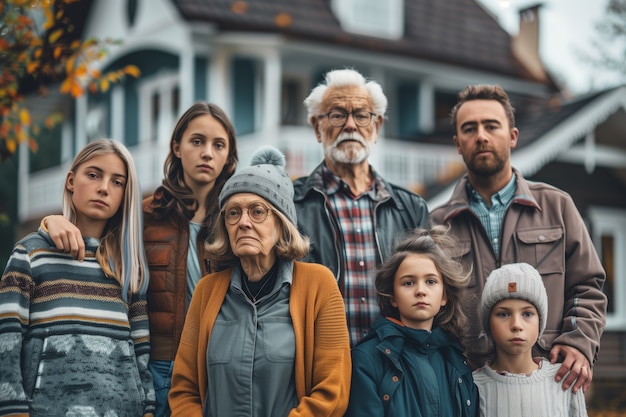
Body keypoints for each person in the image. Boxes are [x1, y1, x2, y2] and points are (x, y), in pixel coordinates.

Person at [41, 102, 239, 417]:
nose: (207, 153)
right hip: (159, 368)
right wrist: (52, 221)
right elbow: (93, 232)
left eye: (219, 145)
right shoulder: (143, 215)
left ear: (229, 156)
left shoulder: (235, 221)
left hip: (222, 366)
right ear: (177, 147)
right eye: (197, 141)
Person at [430, 84, 607, 393]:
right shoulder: (436, 225)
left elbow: (587, 287)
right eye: (470, 129)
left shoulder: (557, 206)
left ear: (512, 136)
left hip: (550, 381)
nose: (481, 136)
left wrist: (579, 342)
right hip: (469, 390)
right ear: (458, 144)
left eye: (491, 126)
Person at [169, 146, 351, 417]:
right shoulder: (207, 291)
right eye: (233, 213)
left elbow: (332, 390)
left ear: (281, 224)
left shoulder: (318, 285)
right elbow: (184, 389)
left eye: (257, 211)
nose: (243, 222)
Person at [0, 139, 155, 417]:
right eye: (93, 175)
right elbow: (6, 343)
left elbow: (141, 359)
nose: (104, 188)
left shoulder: (129, 270)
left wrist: (147, 410)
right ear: (71, 180)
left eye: (117, 182)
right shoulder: (30, 255)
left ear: (124, 194)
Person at [294, 68, 429, 345]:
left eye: (361, 115)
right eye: (337, 114)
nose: (351, 125)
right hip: (320, 365)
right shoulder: (292, 204)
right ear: (317, 128)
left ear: (376, 127)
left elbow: (429, 295)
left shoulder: (411, 208)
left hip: (394, 368)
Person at [345, 226, 478, 417]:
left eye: (431, 281)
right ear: (392, 296)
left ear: (444, 296)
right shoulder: (367, 359)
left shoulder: (456, 358)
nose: (420, 290)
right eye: (408, 283)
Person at [474, 263, 588, 416]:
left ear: (540, 321)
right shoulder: (472, 386)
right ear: (488, 322)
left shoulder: (565, 381)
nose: (516, 325)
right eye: (503, 314)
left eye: (527, 314)